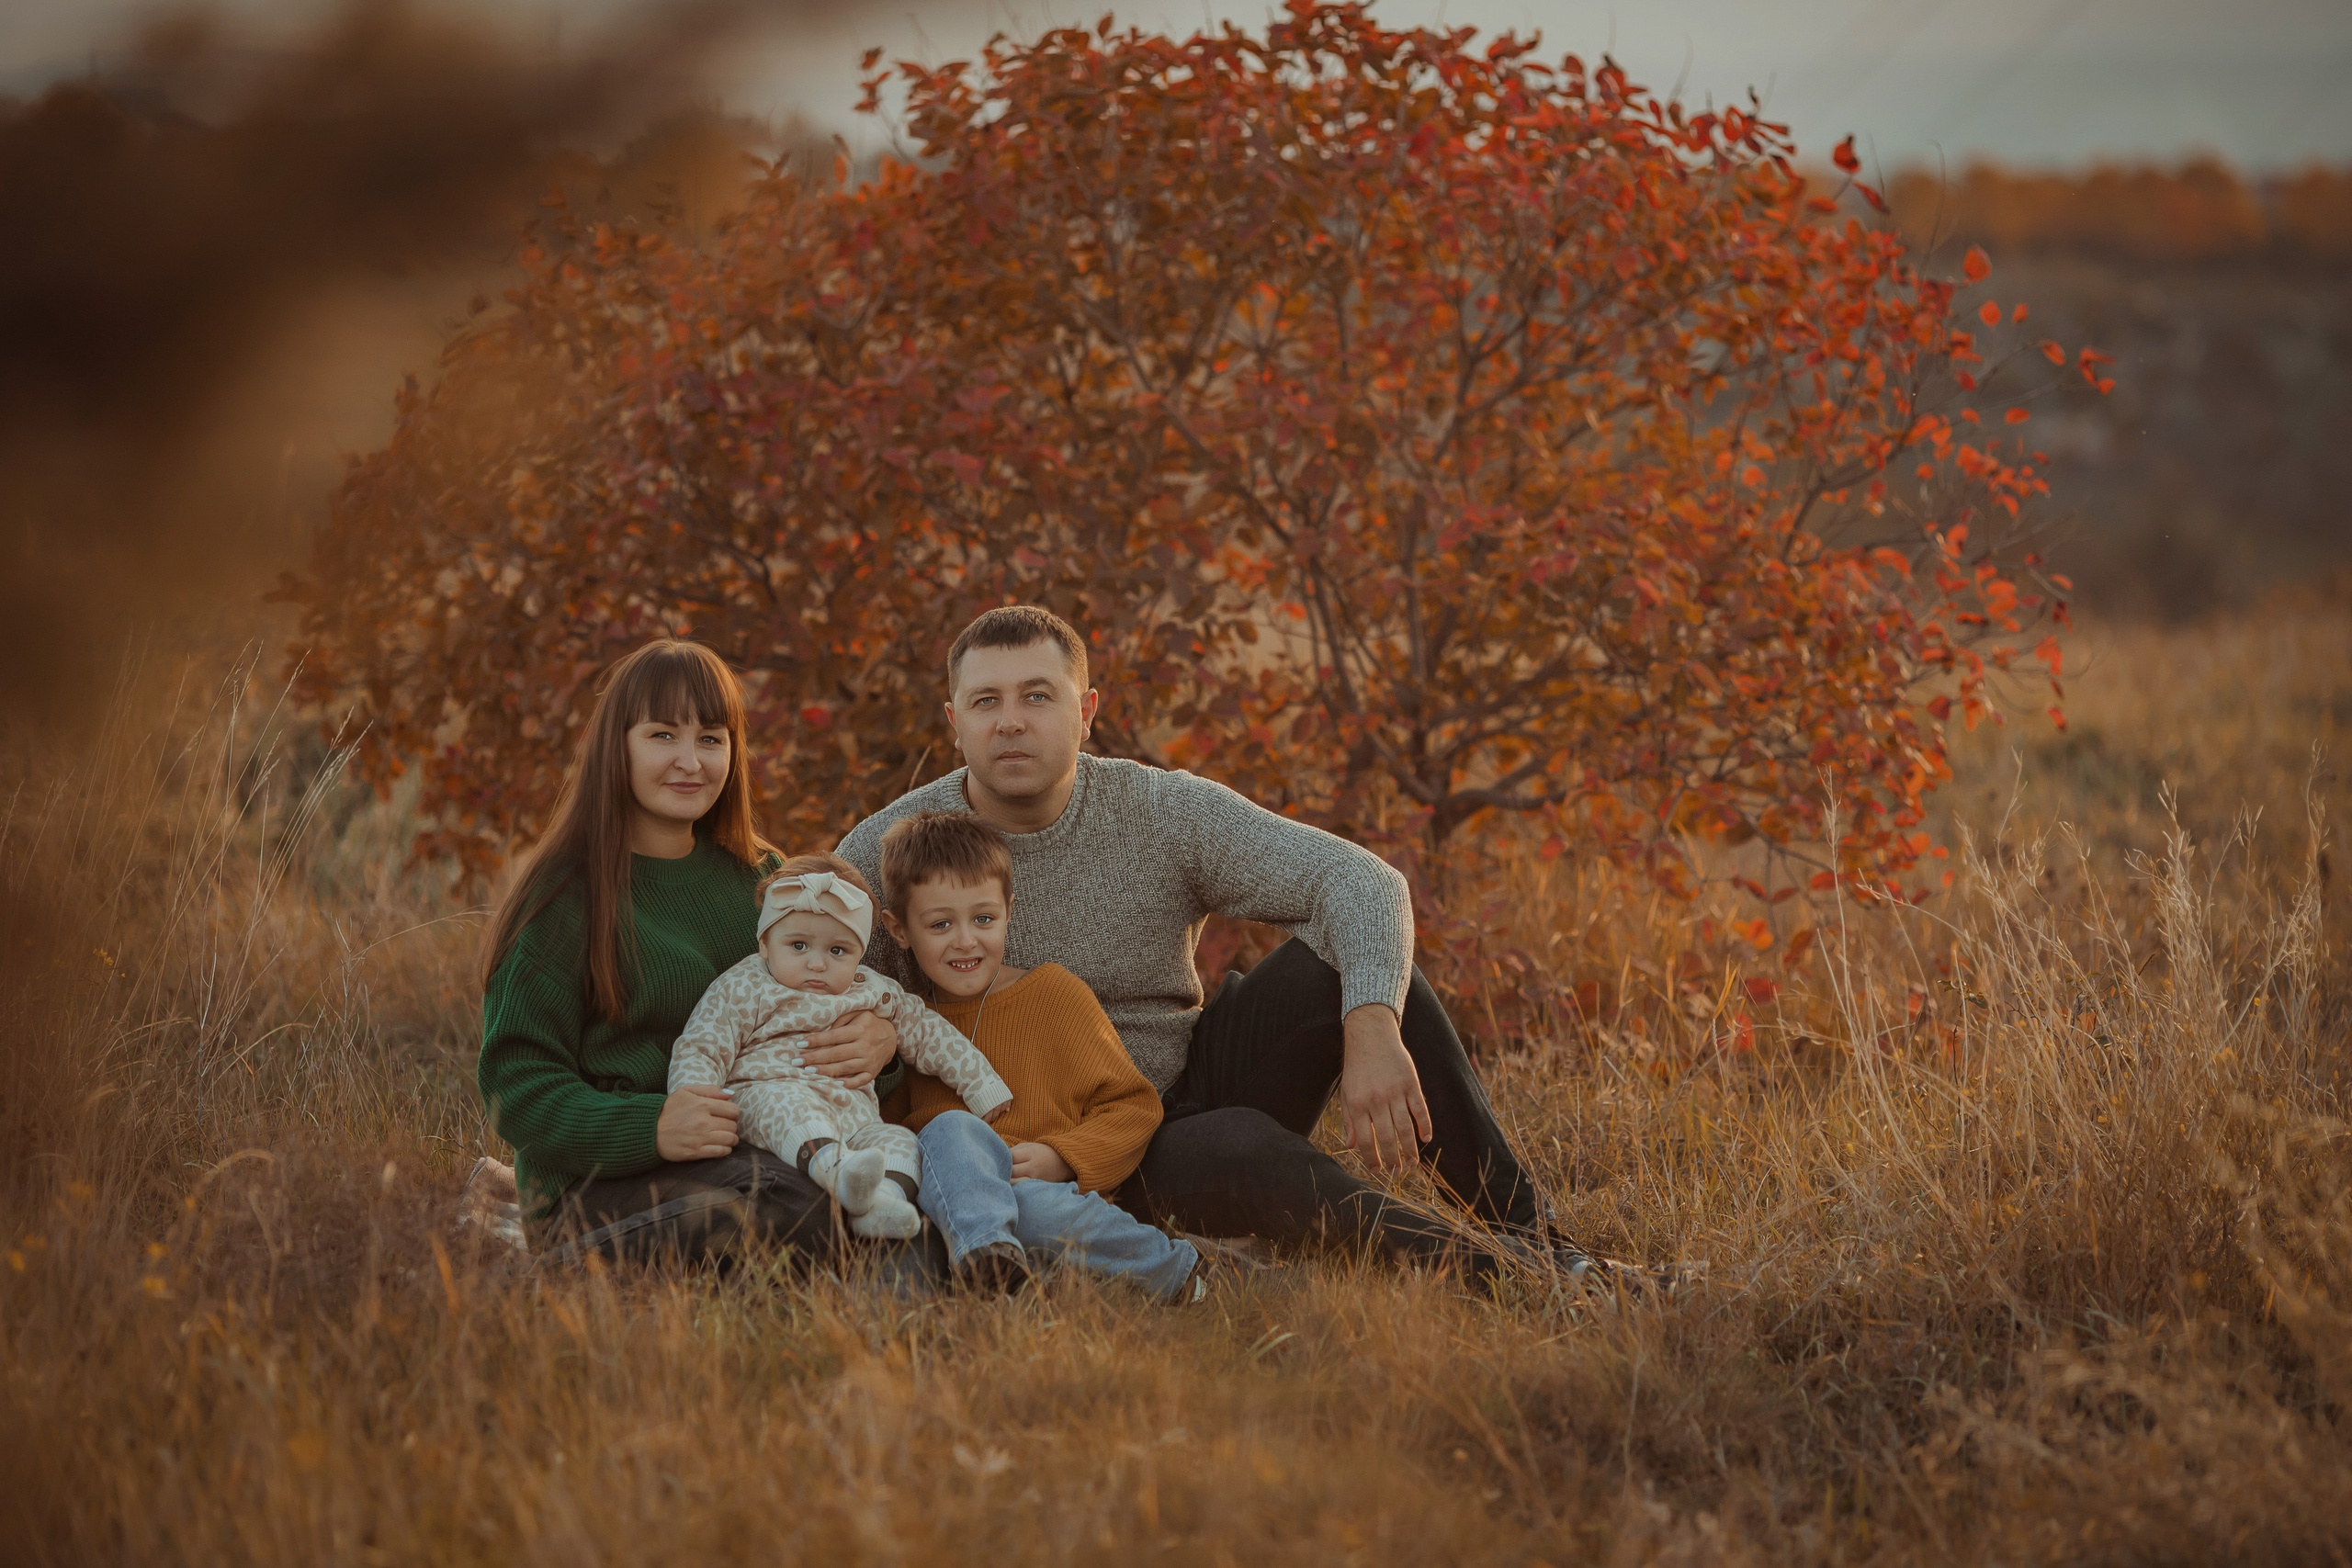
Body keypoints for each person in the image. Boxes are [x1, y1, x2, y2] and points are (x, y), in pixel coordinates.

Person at [841, 605, 1623, 1289]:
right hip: (1049, 1153)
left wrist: (1372, 1022)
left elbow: (1362, 881)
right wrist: (881, 1039)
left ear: (1086, 712)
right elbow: (811, 988)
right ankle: (1507, 1279)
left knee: (1353, 966)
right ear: (955, 721)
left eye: (1037, 696)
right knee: (1245, 1150)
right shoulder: (891, 848)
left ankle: (1541, 1241)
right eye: (987, 701)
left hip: (1183, 1085)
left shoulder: (1159, 810)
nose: (1011, 721)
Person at [477, 638, 919, 1273]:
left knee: (886, 1186)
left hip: (762, 1151)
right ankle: (541, 1265)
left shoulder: (764, 880)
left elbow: (833, 1002)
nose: (690, 761)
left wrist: (880, 1046)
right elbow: (516, 1087)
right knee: (794, 1209)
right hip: (602, 1185)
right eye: (663, 735)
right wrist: (652, 1126)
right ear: (617, 747)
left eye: (711, 738)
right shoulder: (564, 898)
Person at [878, 810, 1205, 1302]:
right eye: (941, 924)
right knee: (948, 1129)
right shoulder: (905, 1024)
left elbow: (1133, 1107)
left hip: (1043, 1197)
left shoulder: (1054, 995)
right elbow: (881, 1127)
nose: (966, 940)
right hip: (946, 1205)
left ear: (1008, 910)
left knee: (1031, 1207)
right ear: (899, 929)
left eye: (983, 919)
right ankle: (991, 1261)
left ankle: (1179, 1274)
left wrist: (1063, 1157)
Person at [667, 853, 1012, 1240]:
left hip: (855, 1118)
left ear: (859, 954)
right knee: (788, 1104)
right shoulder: (746, 986)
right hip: (768, 1097)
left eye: (837, 951)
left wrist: (981, 1084)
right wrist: (693, 1101)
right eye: (799, 945)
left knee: (900, 1141)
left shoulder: (871, 990)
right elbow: (703, 1045)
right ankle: (837, 1170)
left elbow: (929, 1032)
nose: (817, 964)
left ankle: (881, 1201)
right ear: (765, 943)